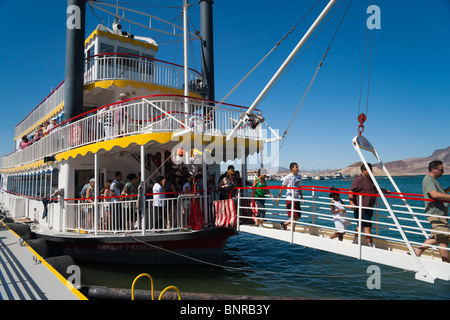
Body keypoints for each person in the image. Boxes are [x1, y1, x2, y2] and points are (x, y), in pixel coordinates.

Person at [415, 160, 450, 262]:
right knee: (444, 236)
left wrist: (447, 190)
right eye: (441, 170)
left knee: (441, 237)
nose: (443, 172)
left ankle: (418, 252)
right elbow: (434, 194)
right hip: (436, 213)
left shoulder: (433, 180)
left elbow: (440, 193)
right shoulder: (428, 179)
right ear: (434, 170)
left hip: (440, 213)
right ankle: (418, 251)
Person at [348, 163, 389, 248]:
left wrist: (385, 191)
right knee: (368, 227)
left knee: (360, 226)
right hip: (361, 208)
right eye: (369, 170)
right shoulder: (358, 180)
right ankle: (371, 246)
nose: (371, 171)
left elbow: (375, 189)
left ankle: (355, 242)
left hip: (369, 207)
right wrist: (351, 203)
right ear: (364, 170)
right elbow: (351, 191)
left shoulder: (371, 179)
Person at [276, 162, 303, 231]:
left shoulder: (299, 177)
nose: (298, 168)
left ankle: (285, 224)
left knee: (298, 216)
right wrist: (278, 197)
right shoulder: (288, 177)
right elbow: (282, 187)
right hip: (290, 198)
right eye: (296, 167)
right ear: (292, 169)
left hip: (297, 198)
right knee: (294, 216)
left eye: (298, 166)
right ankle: (292, 230)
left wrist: (302, 197)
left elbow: (299, 188)